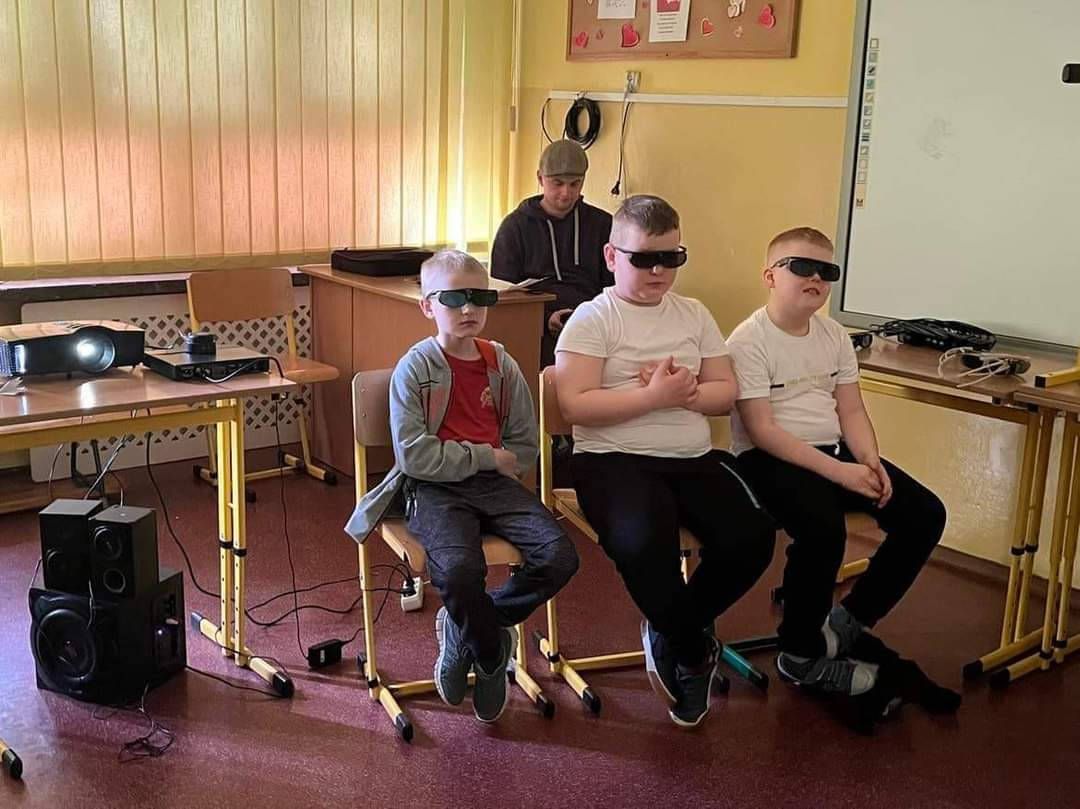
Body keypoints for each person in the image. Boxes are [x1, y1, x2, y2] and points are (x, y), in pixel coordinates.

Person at [554, 195, 775, 728]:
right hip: (613, 460)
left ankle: (672, 628)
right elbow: (575, 405)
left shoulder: (694, 314)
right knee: (642, 541)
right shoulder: (592, 318)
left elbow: (725, 393)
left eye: (671, 259)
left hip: (690, 456)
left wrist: (687, 393)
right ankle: (693, 649)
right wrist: (654, 397)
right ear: (612, 257)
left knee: (754, 537)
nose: (658, 271)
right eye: (644, 259)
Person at [345, 250, 579, 723]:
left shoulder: (501, 364)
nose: (468, 308)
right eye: (454, 298)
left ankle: (469, 628)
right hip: (434, 488)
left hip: (495, 486)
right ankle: (491, 652)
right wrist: (485, 456)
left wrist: (500, 464)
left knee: (559, 556)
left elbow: (525, 445)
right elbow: (415, 456)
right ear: (428, 306)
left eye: (479, 297)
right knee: (456, 572)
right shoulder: (415, 368)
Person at [727, 227, 946, 698]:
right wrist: (841, 472)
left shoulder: (834, 336)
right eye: (801, 267)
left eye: (826, 271)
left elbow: (850, 410)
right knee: (823, 529)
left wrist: (869, 460)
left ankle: (849, 620)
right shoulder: (748, 340)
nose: (815, 278)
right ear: (770, 276)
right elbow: (762, 430)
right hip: (767, 459)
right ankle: (798, 654)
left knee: (925, 514)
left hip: (832, 451)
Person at [491, 139, 613, 368]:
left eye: (575, 184)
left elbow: (615, 285)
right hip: (534, 330)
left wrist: (591, 316)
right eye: (557, 183)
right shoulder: (514, 227)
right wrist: (545, 318)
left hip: (595, 326)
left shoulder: (603, 225)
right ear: (540, 178)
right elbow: (503, 294)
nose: (566, 193)